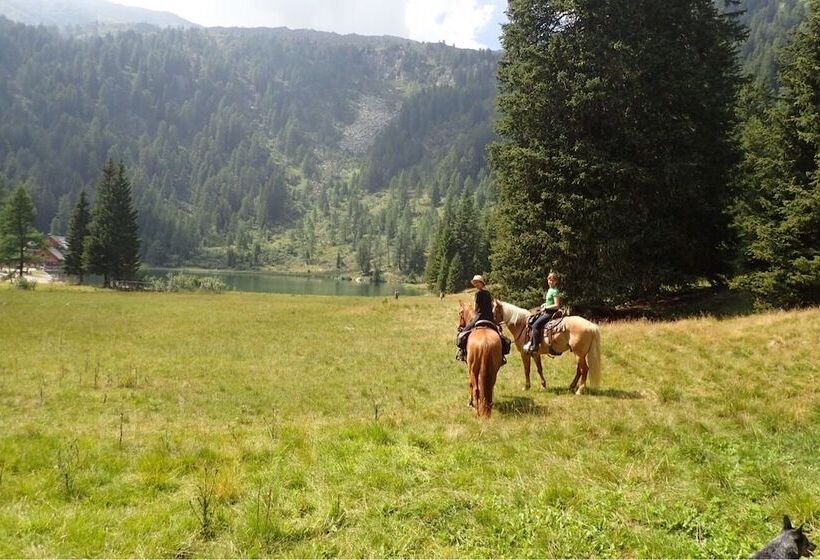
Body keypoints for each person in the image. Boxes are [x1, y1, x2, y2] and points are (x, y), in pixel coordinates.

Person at [456, 275, 496, 361]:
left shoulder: (477, 294)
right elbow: (492, 305)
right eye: (475, 283)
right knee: (499, 333)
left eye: (477, 282)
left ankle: (461, 352)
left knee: (463, 331)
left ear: (482, 283)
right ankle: (501, 355)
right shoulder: (488, 293)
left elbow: (475, 308)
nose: (476, 284)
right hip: (490, 318)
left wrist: (474, 310)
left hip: (479, 317)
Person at [523, 272, 563, 354]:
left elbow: (557, 305)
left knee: (535, 325)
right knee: (532, 321)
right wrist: (545, 304)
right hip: (547, 311)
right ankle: (532, 342)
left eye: (552, 280)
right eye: (549, 280)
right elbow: (550, 302)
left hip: (551, 313)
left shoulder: (555, 291)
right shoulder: (550, 290)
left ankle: (535, 346)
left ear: (556, 281)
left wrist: (546, 307)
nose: (550, 282)